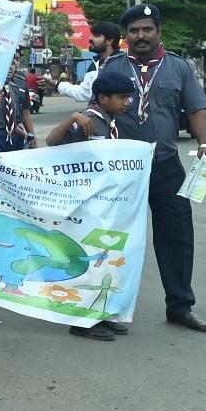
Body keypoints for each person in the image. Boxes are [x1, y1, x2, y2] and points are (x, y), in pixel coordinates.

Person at [99, 4, 206, 333]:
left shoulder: (178, 67)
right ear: (126, 36)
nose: (140, 35)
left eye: (146, 29)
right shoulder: (113, 66)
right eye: (134, 30)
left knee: (177, 236)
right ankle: (106, 307)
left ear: (158, 32)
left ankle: (180, 307)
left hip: (166, 166)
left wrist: (204, 143)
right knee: (114, 238)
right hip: (122, 169)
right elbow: (97, 108)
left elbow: (196, 108)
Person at [44, 71, 137, 341]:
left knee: (104, 261)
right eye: (121, 98)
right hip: (85, 207)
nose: (127, 102)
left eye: (128, 97)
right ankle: (82, 321)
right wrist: (72, 117)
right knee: (91, 261)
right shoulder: (88, 122)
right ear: (103, 98)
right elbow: (51, 142)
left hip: (103, 207)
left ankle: (98, 315)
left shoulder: (108, 122)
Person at [53, 22, 124, 102]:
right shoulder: (94, 64)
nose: (90, 39)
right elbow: (84, 93)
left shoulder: (123, 63)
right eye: (92, 35)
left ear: (109, 41)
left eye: (96, 36)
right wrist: (56, 84)